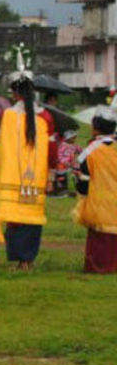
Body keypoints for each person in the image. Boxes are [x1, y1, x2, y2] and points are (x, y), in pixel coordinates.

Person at [0, 52, 52, 271]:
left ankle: (19, 260)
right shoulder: (45, 116)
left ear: (14, 92)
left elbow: (4, 149)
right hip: (35, 178)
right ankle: (29, 260)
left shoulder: (8, 115)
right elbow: (50, 150)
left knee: (15, 219)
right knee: (33, 218)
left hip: (13, 177)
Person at [73, 101, 117, 273]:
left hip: (99, 204)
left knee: (100, 240)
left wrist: (80, 187)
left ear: (95, 128)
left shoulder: (91, 150)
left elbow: (83, 182)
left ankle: (98, 268)